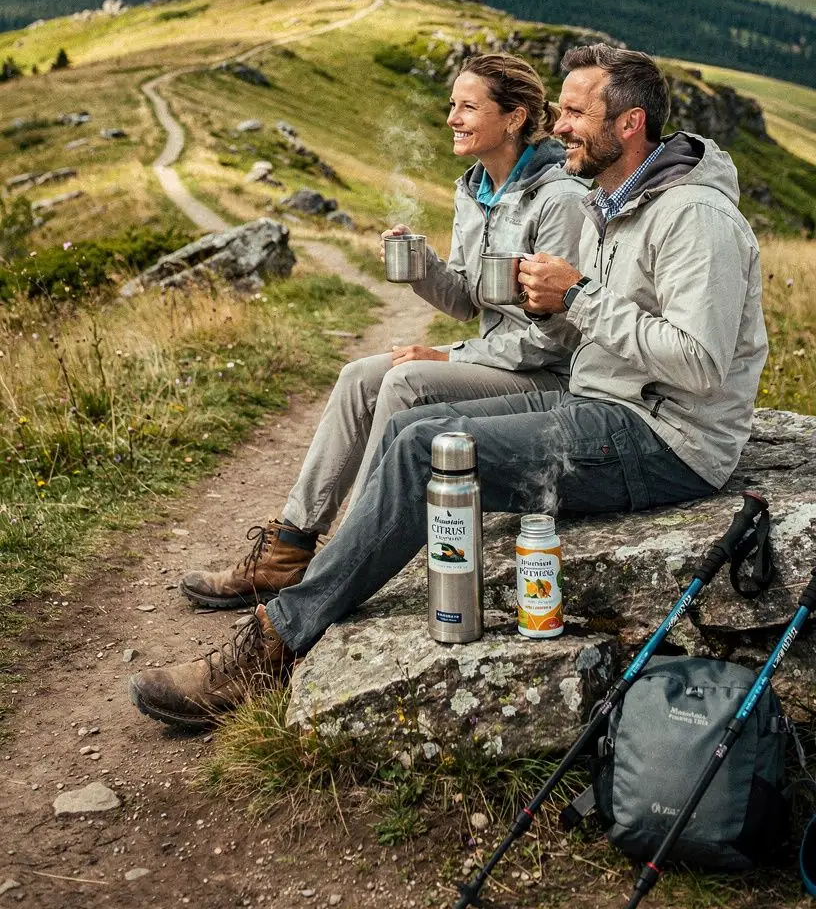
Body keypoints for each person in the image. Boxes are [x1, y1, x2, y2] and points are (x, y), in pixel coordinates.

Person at [130, 44, 768, 730]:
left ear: (630, 123)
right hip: (605, 404)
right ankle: (319, 568)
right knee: (410, 428)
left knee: (424, 450)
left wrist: (577, 296)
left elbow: (700, 363)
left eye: (575, 113)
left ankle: (273, 646)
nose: (559, 126)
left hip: (664, 437)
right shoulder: (618, 203)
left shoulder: (693, 216)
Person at [177, 53, 586, 612]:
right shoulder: (474, 190)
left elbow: (555, 335)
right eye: (452, 105)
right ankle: (290, 547)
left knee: (406, 381)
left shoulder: (559, 198)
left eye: (468, 107)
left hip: (550, 374)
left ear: (514, 118)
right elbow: (465, 300)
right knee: (358, 377)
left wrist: (448, 357)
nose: (452, 118)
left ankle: (351, 555)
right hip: (496, 360)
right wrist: (422, 267)